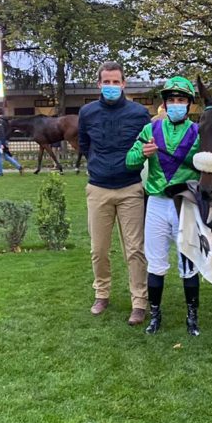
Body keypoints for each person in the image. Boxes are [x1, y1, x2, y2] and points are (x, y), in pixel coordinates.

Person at [125, 76, 202, 336]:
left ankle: (192, 318)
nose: (176, 104)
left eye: (181, 100)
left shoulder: (198, 131)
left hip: (186, 203)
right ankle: (155, 315)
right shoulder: (151, 128)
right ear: (165, 104)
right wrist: (142, 154)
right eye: (172, 100)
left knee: (189, 264)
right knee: (155, 263)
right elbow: (130, 160)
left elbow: (208, 163)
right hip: (157, 203)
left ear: (189, 104)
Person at [78, 61, 150, 325]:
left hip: (131, 188)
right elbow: (85, 145)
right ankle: (102, 293)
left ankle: (139, 302)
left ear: (123, 83)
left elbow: (144, 146)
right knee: (99, 249)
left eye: (115, 82)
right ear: (99, 84)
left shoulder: (139, 113)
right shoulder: (87, 113)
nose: (110, 86)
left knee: (135, 250)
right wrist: (100, 167)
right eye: (105, 82)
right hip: (98, 189)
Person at [0, 108, 23, 176]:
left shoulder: (0, 121)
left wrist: (2, 143)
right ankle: (19, 166)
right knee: (5, 156)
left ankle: (0, 172)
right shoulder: (6, 120)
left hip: (1, 140)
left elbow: (1, 132)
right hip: (5, 139)